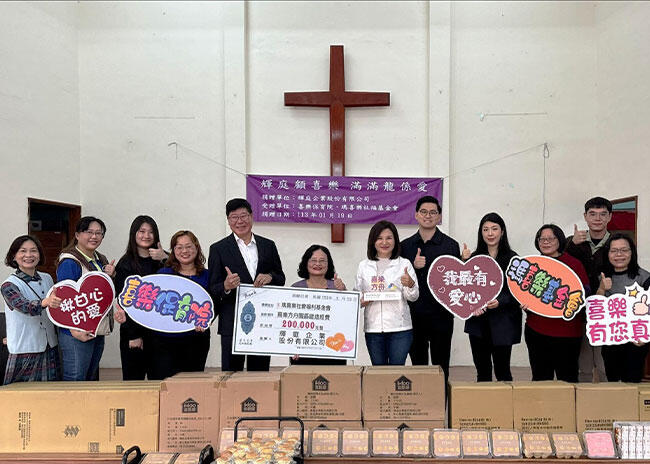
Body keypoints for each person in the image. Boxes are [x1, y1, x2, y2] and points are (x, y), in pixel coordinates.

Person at [208, 198, 285, 371]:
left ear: (251, 217)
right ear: (228, 221)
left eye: (243, 216)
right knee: (230, 375)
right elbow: (213, 288)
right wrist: (226, 286)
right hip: (232, 323)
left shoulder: (268, 245)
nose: (240, 221)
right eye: (234, 217)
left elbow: (280, 277)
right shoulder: (218, 249)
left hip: (263, 320)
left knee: (259, 374)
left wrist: (270, 277)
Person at [400, 195, 460, 381]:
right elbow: (399, 280)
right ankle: (421, 399)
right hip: (413, 315)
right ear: (416, 215)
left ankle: (441, 398)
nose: (428, 216)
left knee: (441, 365)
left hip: (442, 315)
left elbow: (456, 281)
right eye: (424, 212)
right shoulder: (405, 246)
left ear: (439, 216)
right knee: (418, 365)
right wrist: (414, 266)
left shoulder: (451, 245)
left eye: (433, 212)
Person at [524, 224, 590, 382]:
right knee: (540, 378)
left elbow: (585, 292)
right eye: (542, 239)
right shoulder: (532, 265)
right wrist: (523, 303)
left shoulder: (574, 264)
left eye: (551, 238)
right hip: (537, 330)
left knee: (568, 379)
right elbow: (523, 292)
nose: (546, 242)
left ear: (560, 240)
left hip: (567, 332)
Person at [56, 216, 116, 381]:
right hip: (76, 332)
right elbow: (63, 299)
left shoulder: (100, 259)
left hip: (96, 329)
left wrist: (111, 275)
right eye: (89, 232)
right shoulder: (70, 262)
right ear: (77, 235)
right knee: (75, 379)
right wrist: (73, 331)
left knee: (90, 379)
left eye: (99, 233)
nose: (94, 236)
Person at [463, 212, 521, 381]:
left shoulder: (513, 258)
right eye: (486, 229)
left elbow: (519, 292)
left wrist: (501, 301)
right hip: (478, 323)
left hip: (503, 322)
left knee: (503, 371)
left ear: (502, 232)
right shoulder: (474, 257)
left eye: (494, 229)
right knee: (482, 371)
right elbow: (464, 290)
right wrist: (463, 263)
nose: (490, 233)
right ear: (481, 233)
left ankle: (505, 400)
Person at [147, 230, 211, 379]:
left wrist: (206, 320)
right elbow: (152, 308)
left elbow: (214, 304)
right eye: (179, 247)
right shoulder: (163, 274)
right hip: (164, 341)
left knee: (191, 384)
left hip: (196, 340)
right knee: (164, 383)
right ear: (173, 251)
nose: (184, 251)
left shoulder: (207, 275)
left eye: (188, 246)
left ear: (197, 248)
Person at [356, 220, 418, 365]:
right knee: (378, 372)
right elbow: (357, 298)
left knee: (396, 371)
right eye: (379, 238)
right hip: (373, 329)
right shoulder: (364, 266)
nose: (384, 242)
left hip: (400, 328)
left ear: (395, 240)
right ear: (373, 241)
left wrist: (410, 284)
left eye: (389, 238)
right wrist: (363, 300)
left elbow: (413, 297)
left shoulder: (404, 264)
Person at [113, 215, 168, 380]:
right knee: (133, 381)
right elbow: (124, 302)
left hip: (160, 332)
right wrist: (133, 335)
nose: (146, 236)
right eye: (142, 231)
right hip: (134, 332)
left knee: (160, 381)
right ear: (134, 234)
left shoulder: (164, 259)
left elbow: (179, 280)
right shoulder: (125, 263)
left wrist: (165, 258)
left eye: (151, 232)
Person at [1, 236, 61, 384]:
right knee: (19, 395)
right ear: (13, 256)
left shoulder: (47, 278)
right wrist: (46, 302)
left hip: (50, 346)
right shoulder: (8, 284)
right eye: (23, 251)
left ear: (39, 255)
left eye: (33, 251)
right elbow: (24, 306)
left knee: (49, 392)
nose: (28, 255)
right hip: (25, 349)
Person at [566, 196, 612, 382]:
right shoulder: (573, 242)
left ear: (610, 217)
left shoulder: (617, 242)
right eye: (592, 214)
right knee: (583, 366)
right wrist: (571, 245)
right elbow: (559, 266)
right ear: (585, 216)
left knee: (606, 365)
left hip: (608, 312)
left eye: (603, 214)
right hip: (580, 312)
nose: (597, 218)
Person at [598, 234, 650, 383]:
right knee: (613, 382)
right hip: (610, 339)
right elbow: (595, 309)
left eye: (624, 250)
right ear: (607, 254)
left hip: (636, 340)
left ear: (631, 252)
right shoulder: (601, 277)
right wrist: (601, 289)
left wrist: (646, 334)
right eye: (614, 251)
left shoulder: (644, 277)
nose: (619, 254)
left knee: (632, 381)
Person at [291, 244, 347, 365]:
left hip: (334, 347)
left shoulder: (337, 287)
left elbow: (346, 317)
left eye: (322, 261)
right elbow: (289, 321)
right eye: (313, 260)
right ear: (306, 263)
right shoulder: (296, 288)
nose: (318, 264)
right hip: (303, 348)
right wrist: (291, 346)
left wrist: (343, 292)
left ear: (328, 264)